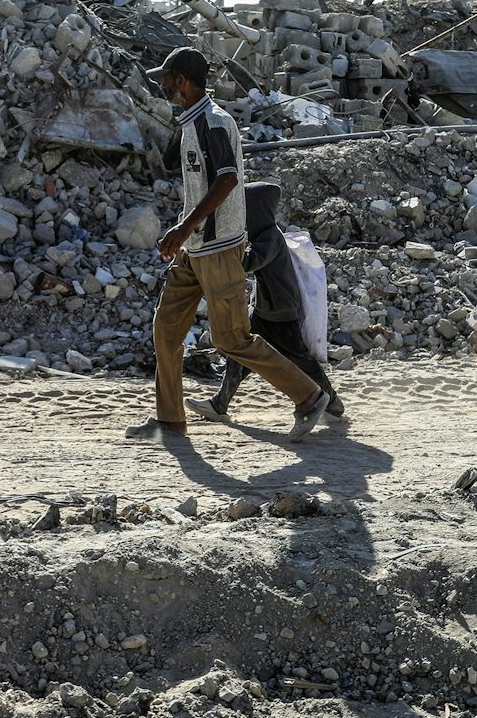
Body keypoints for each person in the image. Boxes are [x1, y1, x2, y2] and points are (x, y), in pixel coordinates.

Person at [126, 46, 333, 443]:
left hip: (218, 249)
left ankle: (308, 397)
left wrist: (184, 228)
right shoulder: (190, 123)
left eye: (166, 79)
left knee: (231, 339)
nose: (162, 85)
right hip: (195, 249)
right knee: (166, 329)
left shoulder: (215, 123)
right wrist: (186, 233)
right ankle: (170, 420)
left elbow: (227, 180)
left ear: (182, 81)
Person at [186, 180, 346, 439]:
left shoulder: (271, 237)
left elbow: (247, 262)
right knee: (239, 354)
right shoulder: (264, 236)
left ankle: (333, 404)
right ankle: (220, 404)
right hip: (264, 310)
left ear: (257, 211)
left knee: (301, 360)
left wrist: (222, 245)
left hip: (281, 313)